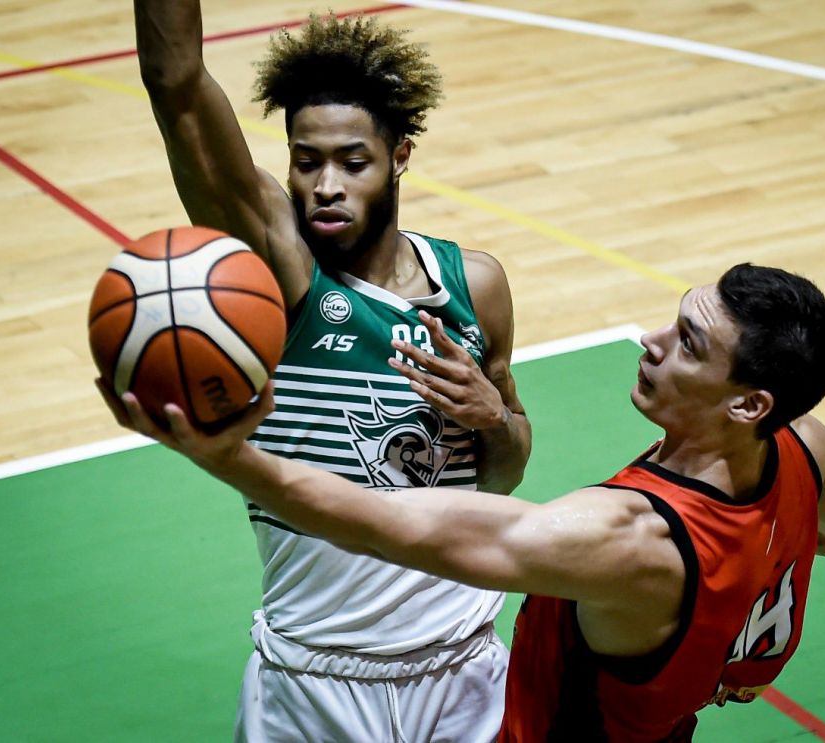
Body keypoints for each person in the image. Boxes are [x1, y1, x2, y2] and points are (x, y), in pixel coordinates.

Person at [101, 262, 825, 741]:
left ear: (748, 404)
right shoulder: (804, 450)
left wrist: (224, 454)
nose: (653, 339)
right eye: (677, 319)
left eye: (690, 344)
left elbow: (385, 524)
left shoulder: (632, 539)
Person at [130, 2, 532, 740]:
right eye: (306, 161)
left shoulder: (474, 286)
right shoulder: (284, 271)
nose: (325, 185)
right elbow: (175, 83)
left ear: (399, 155)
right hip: (315, 687)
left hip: (467, 675)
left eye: (353, 162)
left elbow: (502, 476)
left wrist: (493, 419)